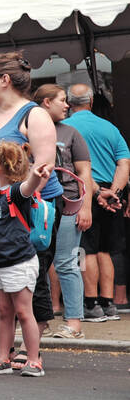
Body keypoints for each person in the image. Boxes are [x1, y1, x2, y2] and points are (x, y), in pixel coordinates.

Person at [0, 51, 62, 365]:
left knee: (32, 274)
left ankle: (31, 345)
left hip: (28, 209)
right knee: (0, 276)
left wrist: (16, 205)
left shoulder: (34, 115)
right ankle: (5, 345)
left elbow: (44, 169)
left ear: (4, 80)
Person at [0, 142, 51, 377]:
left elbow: (28, 188)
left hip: (19, 261)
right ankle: (3, 357)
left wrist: (35, 176)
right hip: (1, 262)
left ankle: (33, 359)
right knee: (3, 312)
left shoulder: (14, 192)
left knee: (23, 311)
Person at [63, 83, 130, 322]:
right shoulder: (110, 128)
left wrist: (99, 193)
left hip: (83, 193)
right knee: (107, 250)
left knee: (88, 250)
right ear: (91, 101)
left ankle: (91, 304)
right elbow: (124, 163)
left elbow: (80, 169)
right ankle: (108, 303)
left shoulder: (65, 128)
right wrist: (115, 191)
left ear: (69, 103)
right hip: (111, 196)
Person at [33, 84, 94, 337]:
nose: (67, 105)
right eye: (61, 100)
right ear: (46, 102)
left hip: (67, 204)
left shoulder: (71, 133)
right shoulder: (29, 130)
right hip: (36, 205)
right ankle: (41, 322)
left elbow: (84, 173)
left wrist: (86, 207)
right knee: (37, 264)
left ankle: (74, 323)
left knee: (67, 263)